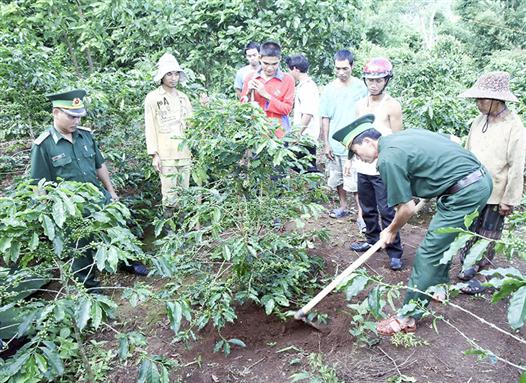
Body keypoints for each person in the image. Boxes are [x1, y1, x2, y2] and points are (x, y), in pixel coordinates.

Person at [333, 115, 492, 335]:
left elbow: (406, 208)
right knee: (441, 242)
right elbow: (452, 141)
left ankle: (407, 317)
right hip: (475, 182)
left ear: (369, 142)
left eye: (356, 151)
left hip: (465, 192)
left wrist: (390, 230)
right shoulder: (405, 136)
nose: (359, 158)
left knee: (428, 252)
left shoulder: (388, 158)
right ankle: (438, 288)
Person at [30, 89, 148, 287]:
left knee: (117, 228)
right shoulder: (43, 145)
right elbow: (38, 184)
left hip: (97, 197)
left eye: (79, 117)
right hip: (71, 207)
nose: (76, 122)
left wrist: (110, 191)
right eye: (71, 116)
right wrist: (47, 213)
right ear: (56, 112)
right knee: (80, 246)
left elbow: (99, 165)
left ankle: (126, 261)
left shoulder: (85, 136)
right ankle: (88, 284)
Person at [457, 71, 525, 294]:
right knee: (469, 229)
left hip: (496, 191)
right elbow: (467, 153)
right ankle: (468, 264)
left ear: (496, 99)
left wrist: (510, 199)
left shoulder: (514, 127)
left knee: (488, 233)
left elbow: (517, 166)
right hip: (472, 189)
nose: (478, 103)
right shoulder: (478, 121)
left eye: (482, 98)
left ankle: (480, 274)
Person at [347, 57, 404, 270]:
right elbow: (355, 136)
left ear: (387, 80)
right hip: (363, 165)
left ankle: (394, 250)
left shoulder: (392, 106)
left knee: (388, 210)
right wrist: (350, 161)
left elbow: (398, 139)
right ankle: (371, 240)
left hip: (383, 167)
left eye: (379, 80)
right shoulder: (360, 105)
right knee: (367, 207)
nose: (374, 84)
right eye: (370, 80)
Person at [320, 49, 367, 224]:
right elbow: (325, 117)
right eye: (338, 68)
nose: (341, 72)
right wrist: (326, 143)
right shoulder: (329, 89)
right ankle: (343, 206)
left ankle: (362, 214)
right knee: (337, 177)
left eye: (345, 68)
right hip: (334, 141)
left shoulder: (361, 88)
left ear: (352, 66)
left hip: (354, 143)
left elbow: (365, 116)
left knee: (355, 180)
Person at [145, 53, 193, 209]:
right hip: (166, 155)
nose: (173, 78)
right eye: (169, 74)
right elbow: (150, 126)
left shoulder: (183, 97)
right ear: (162, 76)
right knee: (169, 195)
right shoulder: (153, 98)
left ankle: (184, 229)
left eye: (176, 74)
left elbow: (192, 124)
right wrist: (154, 154)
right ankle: (170, 230)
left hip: (185, 153)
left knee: (185, 193)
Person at [240, 40, 295, 139]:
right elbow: (243, 108)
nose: (270, 68)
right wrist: (247, 94)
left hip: (279, 135)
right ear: (260, 58)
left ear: (279, 59)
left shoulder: (288, 80)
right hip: (256, 134)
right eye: (266, 63)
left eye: (274, 64)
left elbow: (287, 109)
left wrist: (266, 95)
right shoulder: (250, 77)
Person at [285, 54, 320, 172]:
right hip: (304, 135)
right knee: (301, 167)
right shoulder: (304, 86)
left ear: (295, 69)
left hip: (306, 137)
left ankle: (312, 190)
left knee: (308, 169)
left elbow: (308, 114)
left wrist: (297, 135)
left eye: (289, 69)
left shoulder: (307, 88)